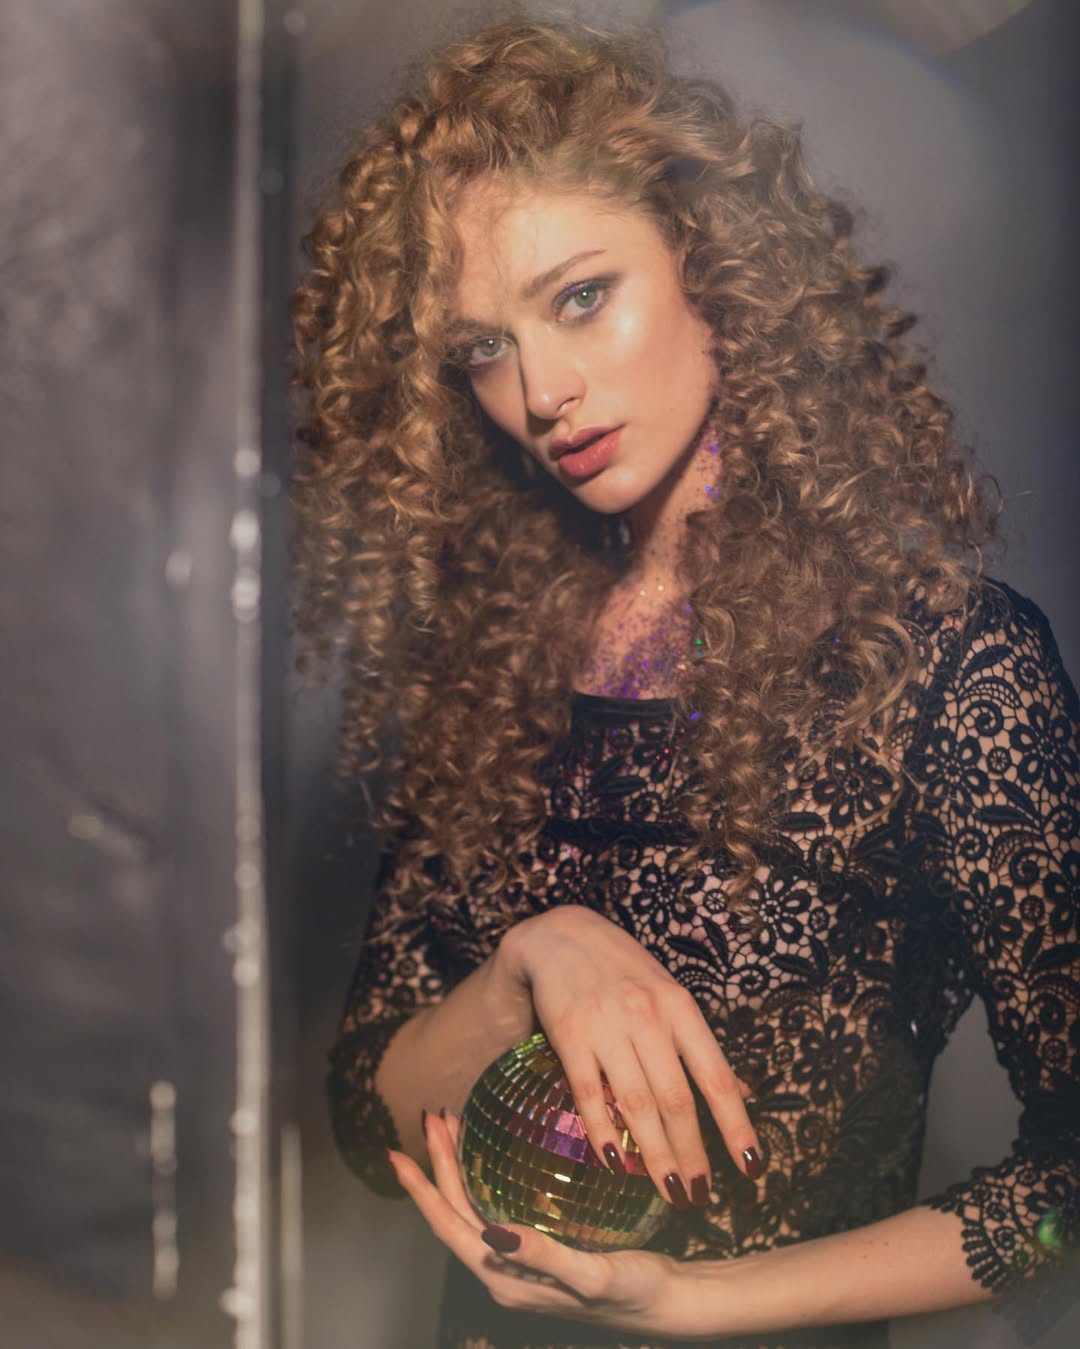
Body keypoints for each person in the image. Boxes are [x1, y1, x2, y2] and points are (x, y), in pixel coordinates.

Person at [289, 17, 1079, 1348]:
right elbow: (373, 1118)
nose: (541, 390)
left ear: (712, 263)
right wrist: (528, 964)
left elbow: (1068, 1191)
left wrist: (696, 1301)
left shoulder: (944, 663)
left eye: (579, 297)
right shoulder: (491, 669)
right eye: (482, 348)